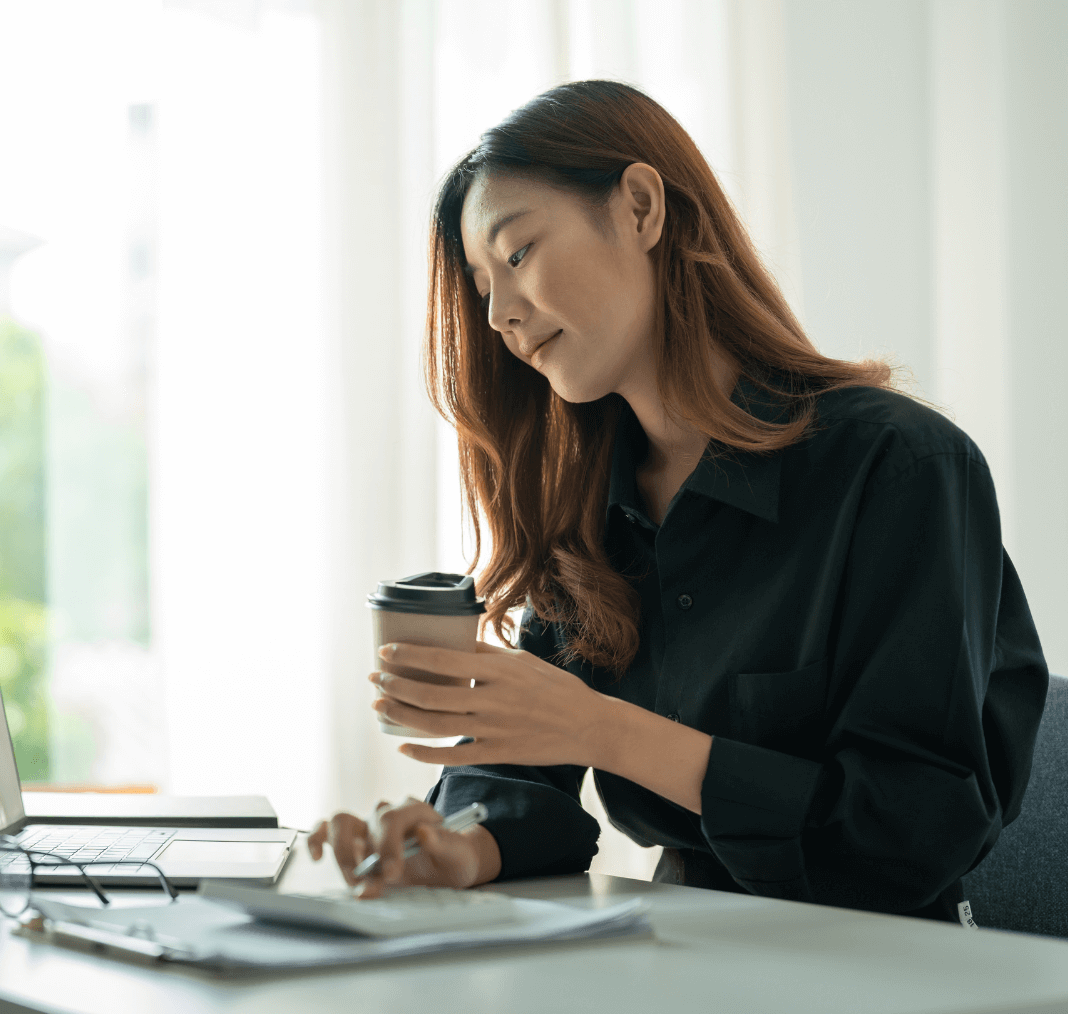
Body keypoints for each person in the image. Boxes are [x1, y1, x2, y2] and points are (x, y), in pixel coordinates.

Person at [308, 80, 1048, 925]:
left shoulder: (897, 468)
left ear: (640, 207)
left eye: (515, 255)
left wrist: (602, 731)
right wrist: (457, 846)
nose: (501, 315)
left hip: (879, 969)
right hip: (681, 948)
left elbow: (910, 831)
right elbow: (525, 775)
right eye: (481, 288)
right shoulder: (586, 506)